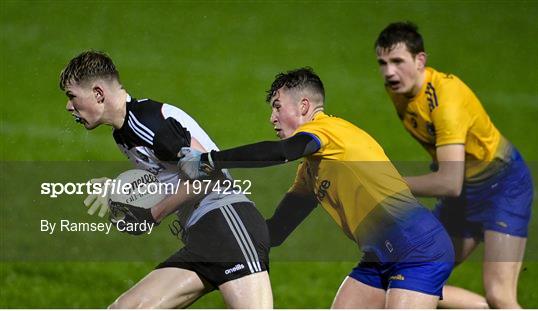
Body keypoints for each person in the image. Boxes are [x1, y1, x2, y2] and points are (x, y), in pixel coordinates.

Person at [177, 67, 455, 308]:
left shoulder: (328, 131)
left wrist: (209, 160)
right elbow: (275, 231)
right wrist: (218, 233)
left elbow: (281, 152)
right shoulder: (310, 170)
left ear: (304, 106)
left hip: (416, 247)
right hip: (379, 256)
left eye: (277, 106)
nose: (272, 118)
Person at [58, 50, 272, 308]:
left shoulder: (149, 122)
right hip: (205, 236)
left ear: (98, 93)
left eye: (72, 96)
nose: (69, 106)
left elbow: (207, 174)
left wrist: (153, 214)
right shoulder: (124, 133)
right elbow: (169, 176)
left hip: (228, 226)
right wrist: (120, 191)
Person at [373, 22, 534, 308]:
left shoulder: (445, 101)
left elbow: (449, 182)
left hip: (503, 188)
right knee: (407, 276)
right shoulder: (399, 90)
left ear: (420, 60)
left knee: (500, 294)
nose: (389, 72)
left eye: (397, 61)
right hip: (464, 194)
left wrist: (390, 184)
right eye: (382, 63)